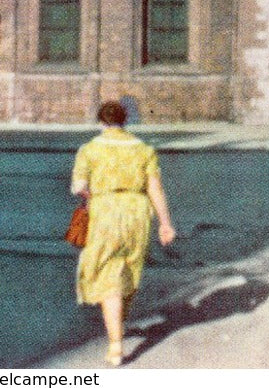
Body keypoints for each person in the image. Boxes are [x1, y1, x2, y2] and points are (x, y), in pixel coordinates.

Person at [71, 100, 177, 367]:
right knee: (129, 269)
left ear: (101, 122)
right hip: (137, 213)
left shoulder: (90, 149)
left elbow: (79, 188)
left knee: (107, 275)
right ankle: (119, 329)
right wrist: (165, 223)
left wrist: (95, 192)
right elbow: (155, 189)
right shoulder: (143, 149)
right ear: (125, 119)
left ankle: (116, 344)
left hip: (104, 213)